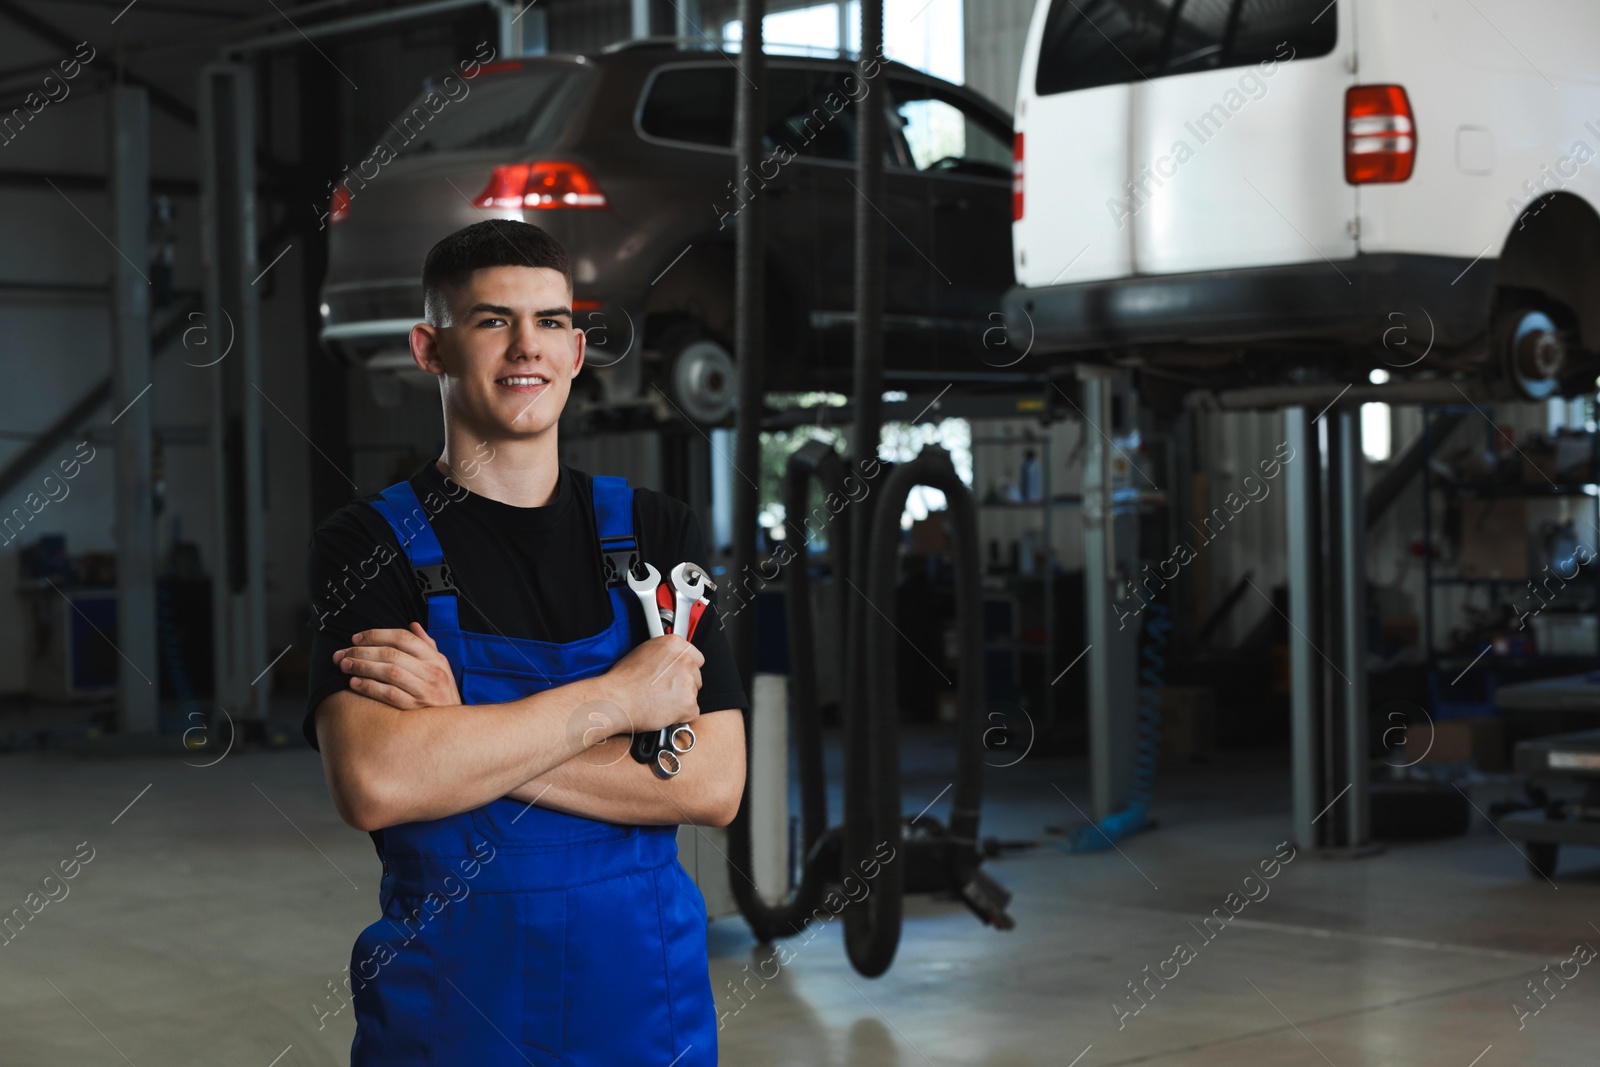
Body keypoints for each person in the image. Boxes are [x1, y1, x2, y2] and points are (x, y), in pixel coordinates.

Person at [304, 219, 747, 1067]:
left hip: (645, 1015)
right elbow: (377, 779)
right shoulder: (368, 545)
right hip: (452, 1015)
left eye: (549, 322)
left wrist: (462, 731)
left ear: (578, 352)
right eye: (491, 321)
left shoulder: (656, 530)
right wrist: (619, 703)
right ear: (429, 348)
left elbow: (715, 780)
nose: (525, 348)